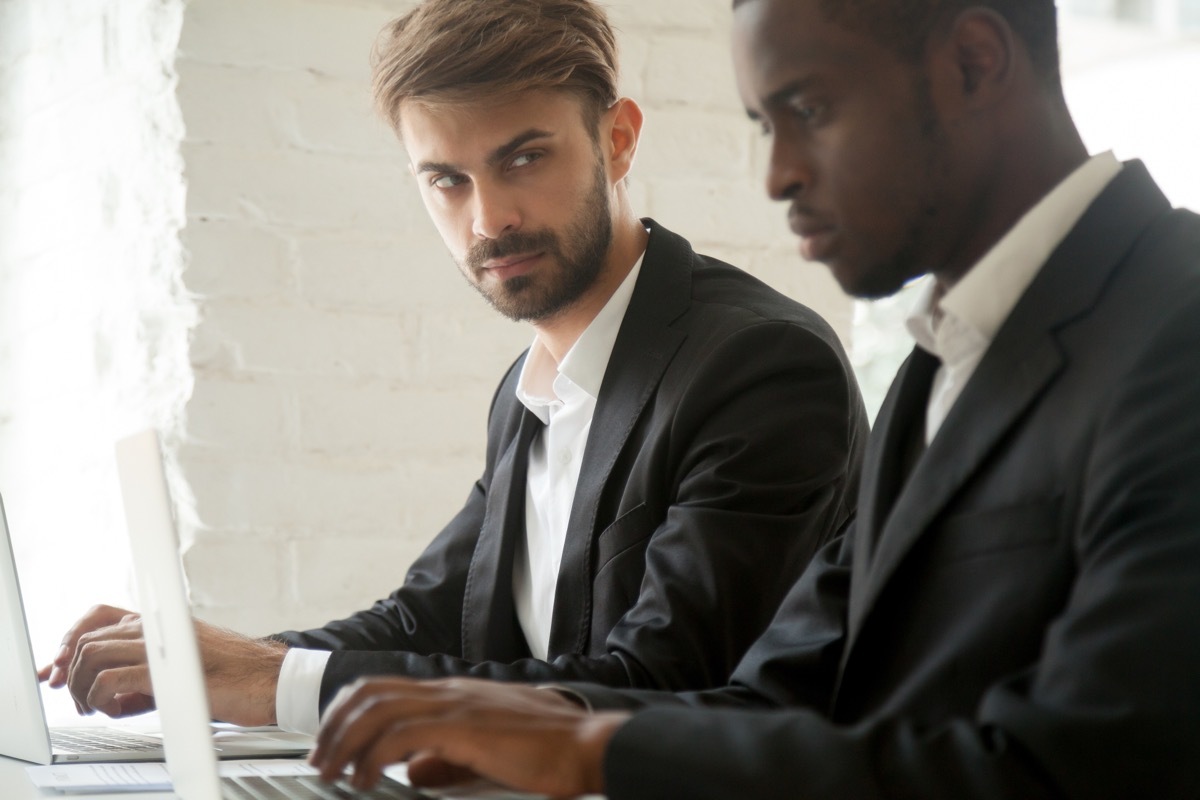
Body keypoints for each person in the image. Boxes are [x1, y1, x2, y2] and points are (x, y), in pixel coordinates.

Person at [303, 0, 1200, 797]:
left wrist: (596, 753)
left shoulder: (1176, 327)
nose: (776, 176)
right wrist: (551, 732)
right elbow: (776, 694)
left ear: (973, 63)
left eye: (808, 110)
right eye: (764, 125)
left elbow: (1091, 765)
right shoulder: (942, 366)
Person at [42, 0, 868, 736]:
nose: (489, 220)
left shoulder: (760, 368)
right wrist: (213, 661)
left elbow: (663, 686)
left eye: (524, 159)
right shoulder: (528, 390)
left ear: (616, 141)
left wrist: (276, 682)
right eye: (447, 180)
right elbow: (425, 622)